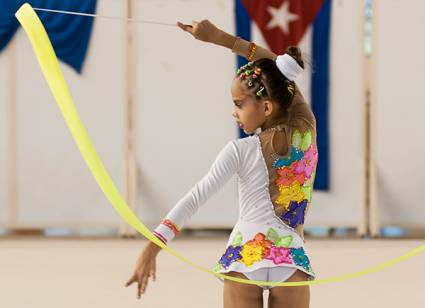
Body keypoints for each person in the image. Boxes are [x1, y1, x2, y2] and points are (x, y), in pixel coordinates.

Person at [125, 20, 318, 308]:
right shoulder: (306, 129)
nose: (233, 112)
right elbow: (278, 73)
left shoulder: (240, 150)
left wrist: (152, 248)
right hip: (289, 258)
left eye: (239, 104)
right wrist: (220, 38)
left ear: (266, 107)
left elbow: (195, 198)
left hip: (245, 257)